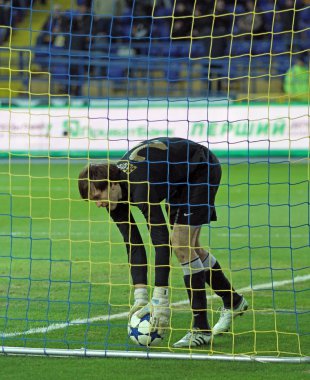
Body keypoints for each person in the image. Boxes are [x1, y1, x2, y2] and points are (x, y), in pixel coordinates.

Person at [78, 137, 248, 348]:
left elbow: (161, 242)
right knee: (190, 248)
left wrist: (160, 299)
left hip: (200, 169)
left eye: (97, 196)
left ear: (111, 184)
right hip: (177, 178)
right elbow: (133, 243)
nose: (97, 204)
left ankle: (201, 330)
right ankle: (234, 301)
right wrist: (140, 296)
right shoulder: (113, 199)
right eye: (92, 200)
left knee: (180, 244)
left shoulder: (140, 186)